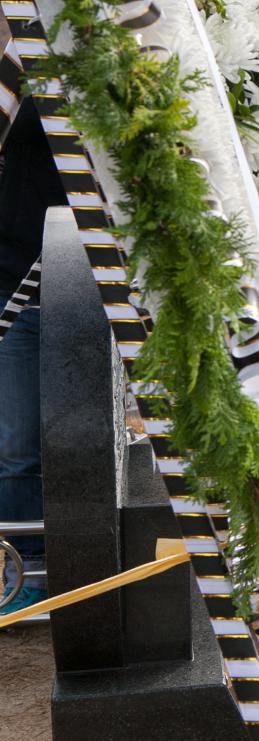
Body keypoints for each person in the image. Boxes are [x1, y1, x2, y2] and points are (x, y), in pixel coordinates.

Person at [0, 98, 64, 613]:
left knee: (88, 440)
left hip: (93, 291)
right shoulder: (17, 73)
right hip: (15, 285)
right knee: (19, 446)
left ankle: (94, 563)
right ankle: (28, 572)